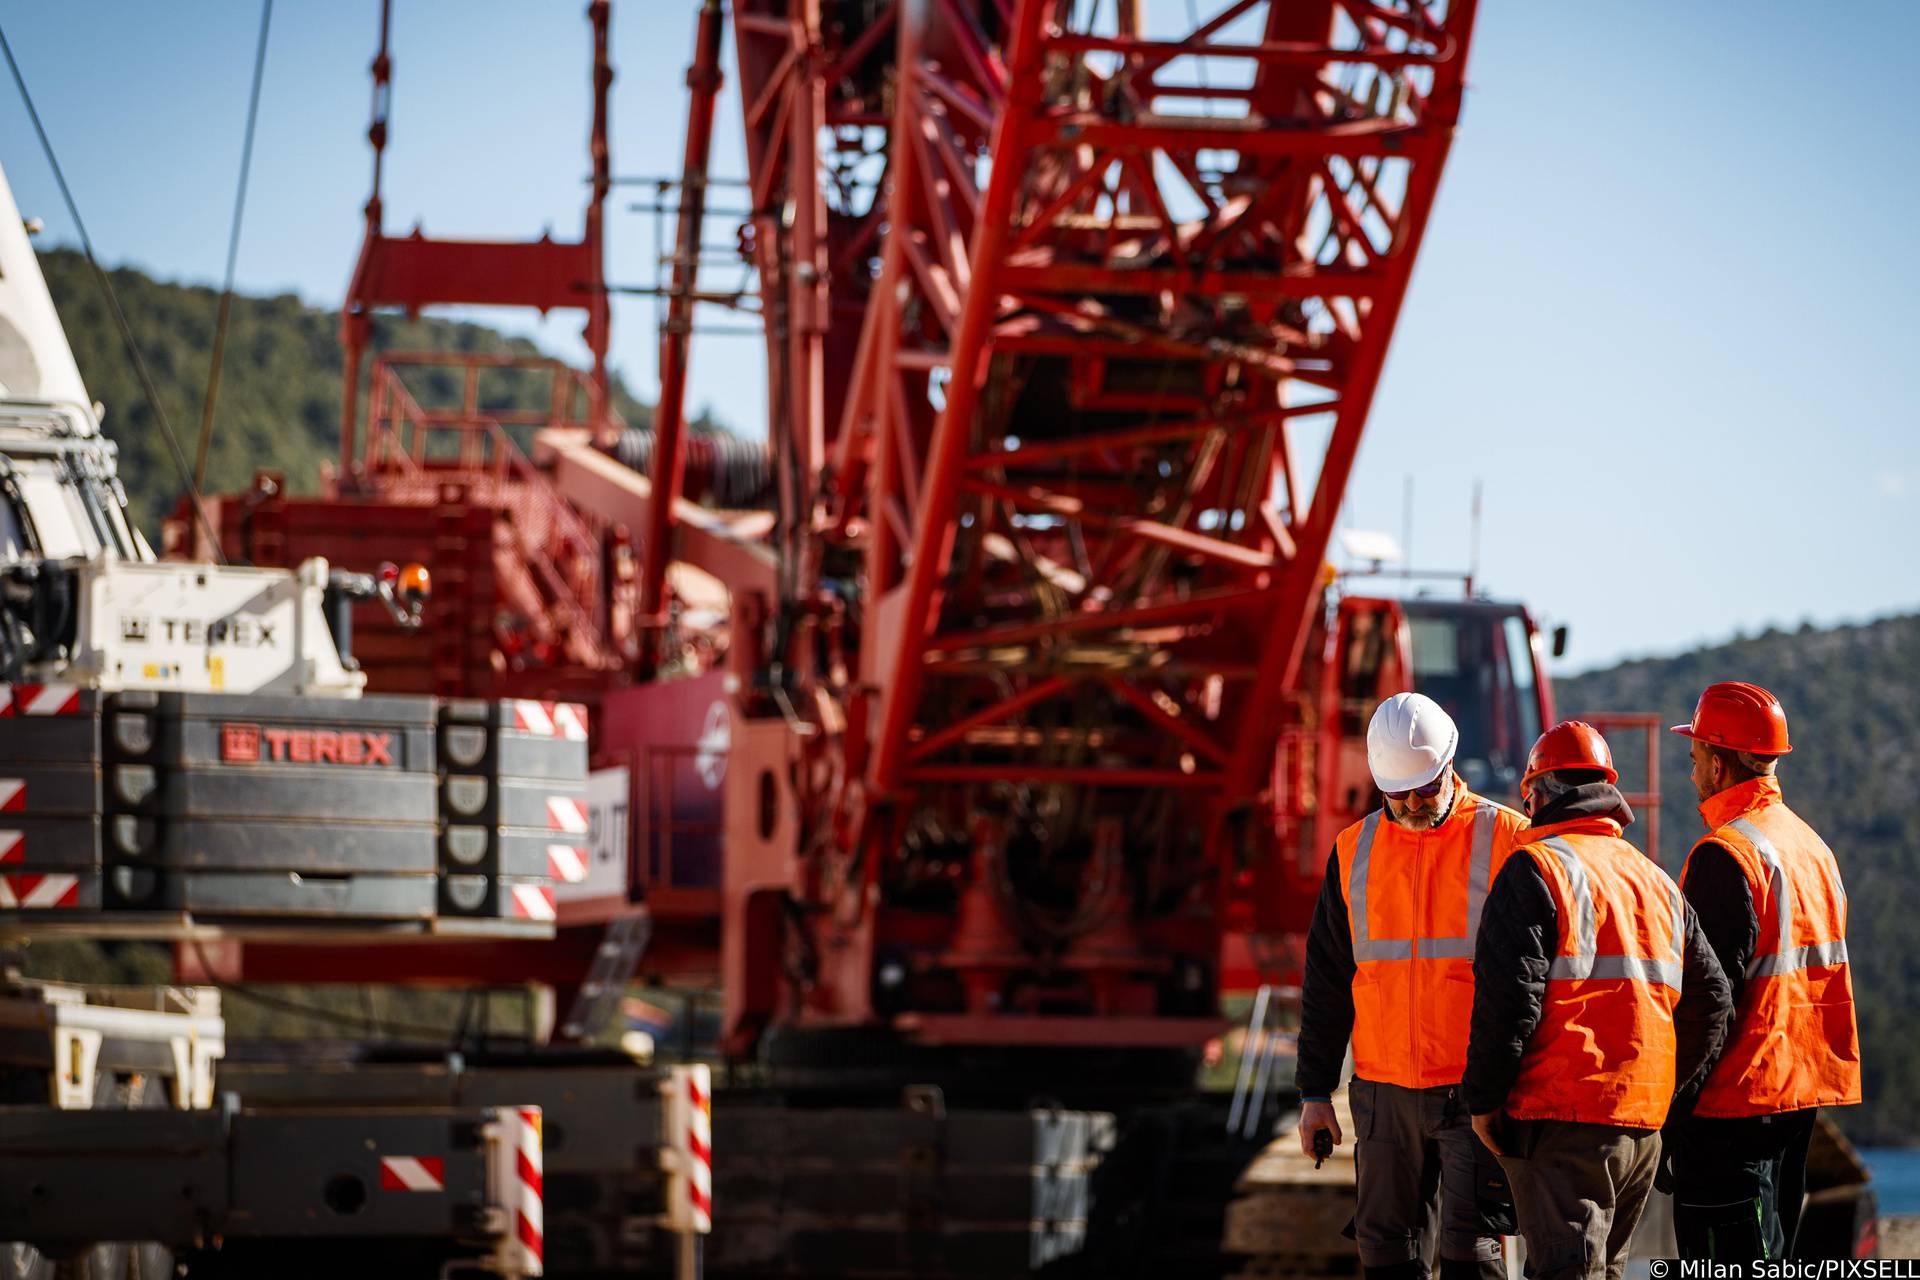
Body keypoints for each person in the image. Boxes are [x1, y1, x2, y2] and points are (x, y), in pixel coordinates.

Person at [1462, 722, 1733, 1280]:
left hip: (1564, 1119)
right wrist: (1667, 1094)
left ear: (1536, 795)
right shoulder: (1657, 881)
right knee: (1605, 1271)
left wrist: (1484, 1102)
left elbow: (1508, 1002)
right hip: (1642, 1126)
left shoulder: (1537, 869)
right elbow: (1714, 1001)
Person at [1296, 692, 1530, 1280]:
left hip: (1474, 1095)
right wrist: (1315, 1092)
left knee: (1470, 1258)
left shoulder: (1509, 839)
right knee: (1385, 1257)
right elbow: (1328, 977)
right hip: (1381, 1095)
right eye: (1397, 794)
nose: (1413, 804)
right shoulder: (1355, 850)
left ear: (1450, 765)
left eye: (1425, 789)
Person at [1667, 682, 1860, 1260]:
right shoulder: (1812, 847)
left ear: (1721, 763)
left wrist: (1669, 1122)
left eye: (1696, 756)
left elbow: (1709, 1004)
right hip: (1797, 1099)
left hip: (1733, 1106)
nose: (1691, 770)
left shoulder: (1726, 853)